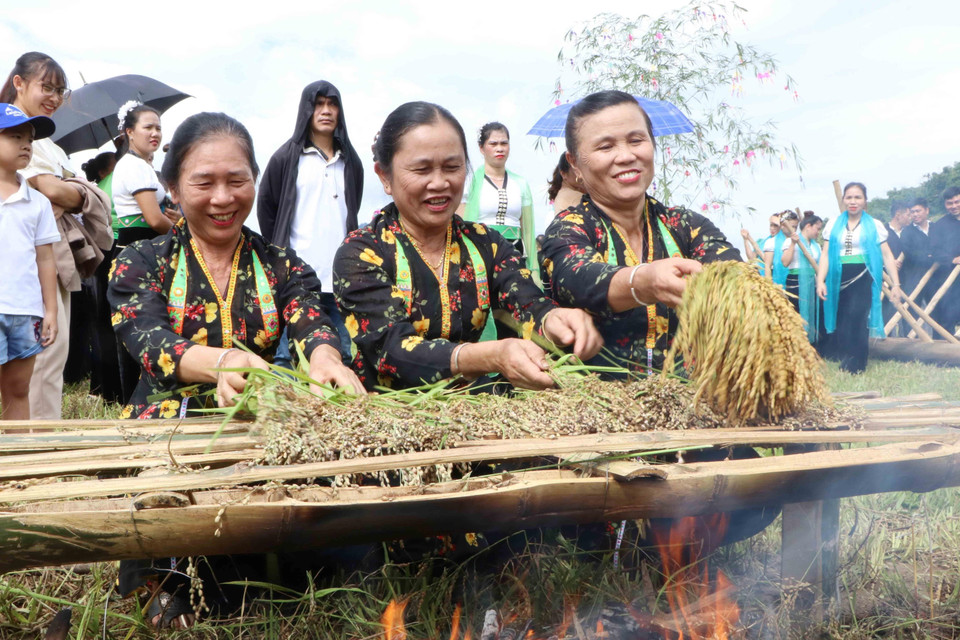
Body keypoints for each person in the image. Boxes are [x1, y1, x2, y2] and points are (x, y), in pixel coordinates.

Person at [108, 111, 362, 419]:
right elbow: (149, 341)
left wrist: (325, 358)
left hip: (258, 424)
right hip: (163, 428)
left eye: (237, 181)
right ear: (174, 189)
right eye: (204, 183)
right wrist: (224, 362)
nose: (223, 198)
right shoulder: (141, 262)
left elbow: (311, 322)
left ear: (254, 178)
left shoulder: (283, 265)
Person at [334, 101, 602, 391]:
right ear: (385, 176)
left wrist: (554, 320)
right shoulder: (362, 253)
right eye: (421, 169)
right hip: (386, 409)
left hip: (472, 406)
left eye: (452, 167)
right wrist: (490, 356)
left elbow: (527, 304)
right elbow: (391, 350)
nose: (440, 183)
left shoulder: (487, 244)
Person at [539, 90, 741, 375]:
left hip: (687, 395)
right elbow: (579, 278)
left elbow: (735, 276)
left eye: (636, 140)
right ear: (574, 163)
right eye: (605, 147)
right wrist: (645, 281)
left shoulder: (686, 225)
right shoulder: (568, 229)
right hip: (595, 397)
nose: (626, 156)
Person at [2, 52, 88, 420]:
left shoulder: (48, 144)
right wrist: (74, 190)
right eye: (47, 87)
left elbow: (70, 195)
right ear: (19, 83)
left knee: (53, 355)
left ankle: (41, 440)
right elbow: (56, 192)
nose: (54, 97)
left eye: (60, 91)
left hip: (53, 256)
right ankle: (37, 438)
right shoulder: (7, 129)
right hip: (23, 270)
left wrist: (74, 191)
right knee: (40, 363)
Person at [257, 81, 363, 364]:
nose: (326, 111)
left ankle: (336, 394)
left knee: (344, 352)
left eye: (332, 104)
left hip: (340, 275)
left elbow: (352, 209)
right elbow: (267, 207)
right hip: (297, 276)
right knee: (285, 354)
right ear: (307, 109)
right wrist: (281, 252)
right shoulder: (286, 157)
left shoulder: (351, 161)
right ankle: (280, 393)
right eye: (318, 104)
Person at [110, 102, 179, 402]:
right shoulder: (134, 166)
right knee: (142, 326)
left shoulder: (141, 165)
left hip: (142, 247)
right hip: (139, 250)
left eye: (158, 128)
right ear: (129, 132)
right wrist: (182, 232)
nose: (155, 133)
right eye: (148, 127)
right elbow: (153, 219)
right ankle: (139, 399)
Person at [0, 104, 59, 422]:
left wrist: (50, 311)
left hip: (26, 311)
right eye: (15, 136)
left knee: (18, 390)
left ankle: (20, 453)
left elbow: (45, 259)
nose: (26, 144)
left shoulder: (38, 202)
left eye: (30, 139)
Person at [816, 182, 902, 373]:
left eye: (857, 197)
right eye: (849, 197)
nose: (853, 201)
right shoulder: (833, 224)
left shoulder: (874, 225)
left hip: (863, 275)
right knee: (842, 318)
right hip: (838, 276)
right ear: (843, 200)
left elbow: (887, 255)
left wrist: (896, 284)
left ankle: (858, 362)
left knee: (857, 315)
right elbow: (825, 254)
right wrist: (820, 280)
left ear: (865, 201)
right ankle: (847, 356)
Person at [461, 122, 539, 281]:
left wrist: (533, 267)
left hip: (514, 252)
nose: (499, 148)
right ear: (481, 148)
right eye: (493, 144)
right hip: (481, 252)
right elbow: (460, 224)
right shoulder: (470, 182)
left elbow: (527, 230)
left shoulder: (521, 183)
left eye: (504, 143)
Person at [780, 213, 823, 342]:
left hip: (811, 282)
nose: (818, 232)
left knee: (811, 313)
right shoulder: (790, 241)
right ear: (808, 226)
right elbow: (785, 262)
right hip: (795, 282)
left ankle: (810, 344)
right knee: (796, 314)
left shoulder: (816, 246)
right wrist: (793, 243)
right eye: (817, 228)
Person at [930, 186, 960, 336]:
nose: (954, 206)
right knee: (948, 316)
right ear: (945, 204)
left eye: (957, 202)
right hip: (949, 278)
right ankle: (946, 347)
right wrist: (952, 259)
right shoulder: (939, 226)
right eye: (950, 203)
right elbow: (934, 251)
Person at [900, 196, 935, 308]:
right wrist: (931, 256)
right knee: (912, 309)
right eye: (912, 212)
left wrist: (932, 255)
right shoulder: (906, 232)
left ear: (927, 210)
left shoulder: (936, 228)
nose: (915, 214)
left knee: (937, 309)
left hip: (936, 276)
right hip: (914, 277)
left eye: (918, 211)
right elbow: (910, 253)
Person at [762, 209, 800, 286]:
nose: (794, 229)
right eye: (792, 226)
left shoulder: (798, 241)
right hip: (778, 284)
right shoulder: (771, 242)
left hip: (795, 281)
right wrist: (769, 286)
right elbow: (767, 266)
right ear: (782, 226)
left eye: (796, 227)